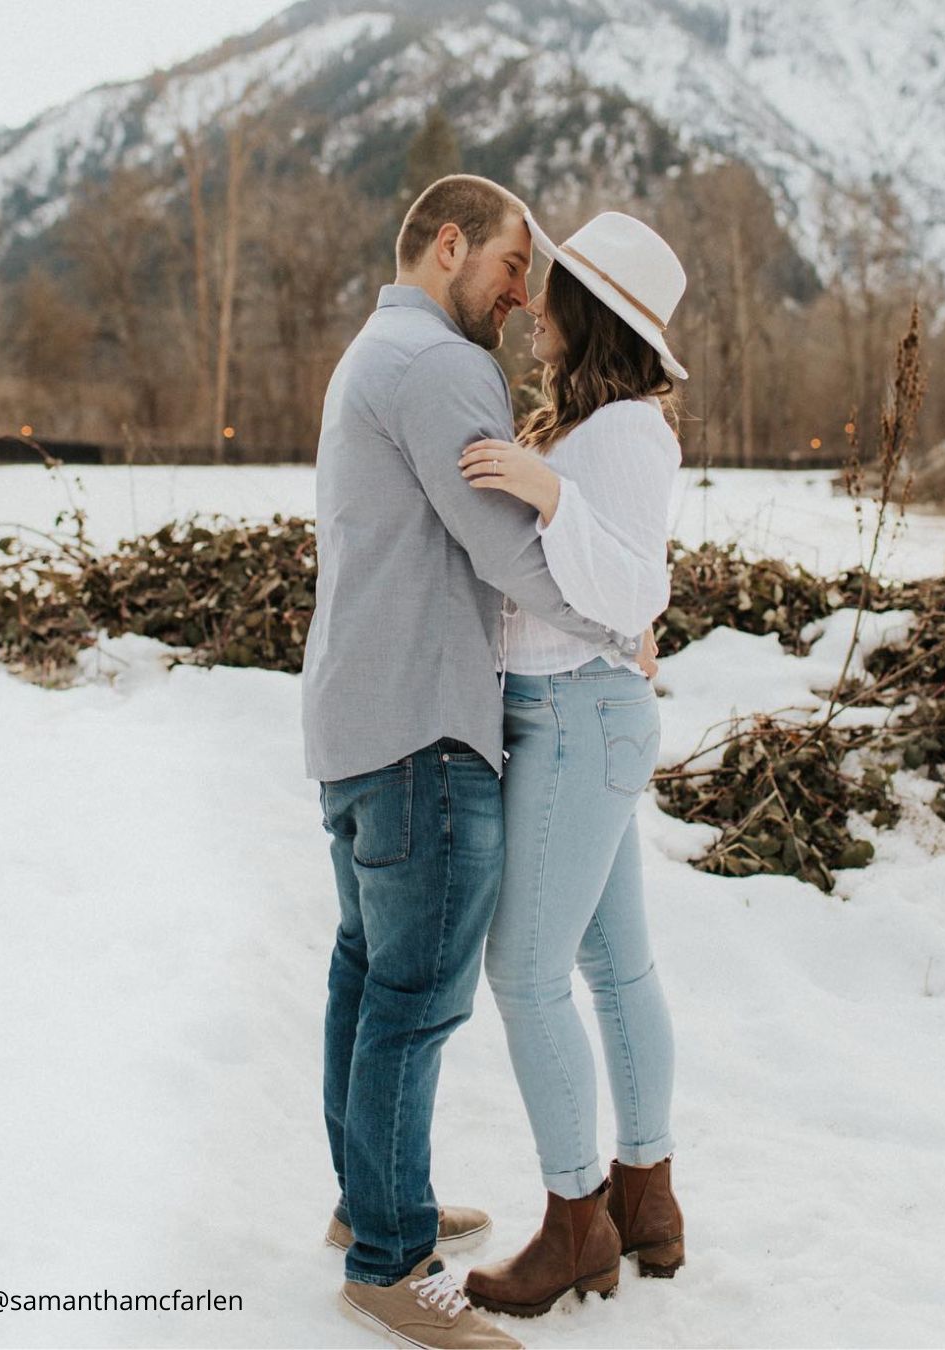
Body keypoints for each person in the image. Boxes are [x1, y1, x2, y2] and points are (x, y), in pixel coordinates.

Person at [301, 175, 646, 1350]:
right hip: (422, 729)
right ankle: (393, 1267)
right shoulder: (446, 370)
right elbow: (505, 551)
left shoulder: (369, 353)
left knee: (366, 977)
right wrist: (620, 623)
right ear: (448, 243)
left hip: (354, 722)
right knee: (417, 998)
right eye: (508, 264)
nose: (518, 294)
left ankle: (371, 1203)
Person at [456, 212, 688, 1318]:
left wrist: (547, 496)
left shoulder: (627, 433)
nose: (534, 307)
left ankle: (575, 1222)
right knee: (615, 965)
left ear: (592, 311)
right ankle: (645, 1200)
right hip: (585, 710)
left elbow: (631, 587)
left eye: (552, 290)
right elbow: (629, 588)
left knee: (527, 972)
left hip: (577, 718)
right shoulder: (603, 426)